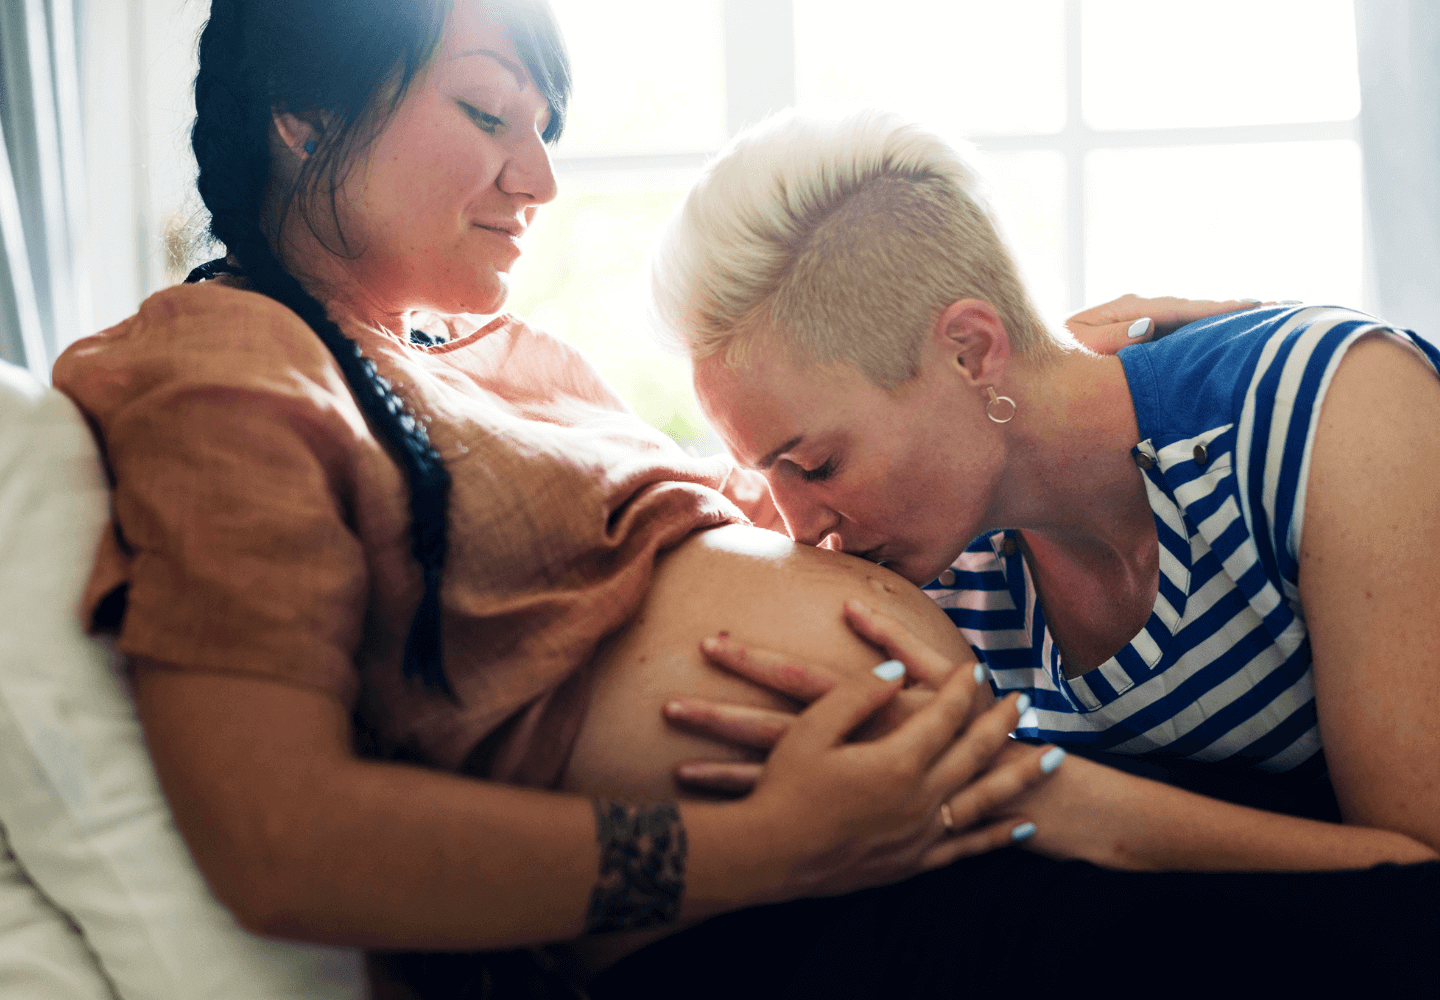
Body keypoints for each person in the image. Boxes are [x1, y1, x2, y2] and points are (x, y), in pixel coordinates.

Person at [50, 2, 1059, 996]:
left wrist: (1057, 377)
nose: (537, 180)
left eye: (544, 130)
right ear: (304, 116)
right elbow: (279, 838)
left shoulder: (510, 364)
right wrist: (763, 844)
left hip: (941, 846)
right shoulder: (224, 362)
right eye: (487, 113)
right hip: (780, 928)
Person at [648, 107, 1440, 876]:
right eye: (767, 473)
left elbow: (1420, 876)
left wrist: (1066, 802)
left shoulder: (1334, 410)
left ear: (970, 350)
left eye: (818, 465)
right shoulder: (928, 565)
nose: (800, 527)